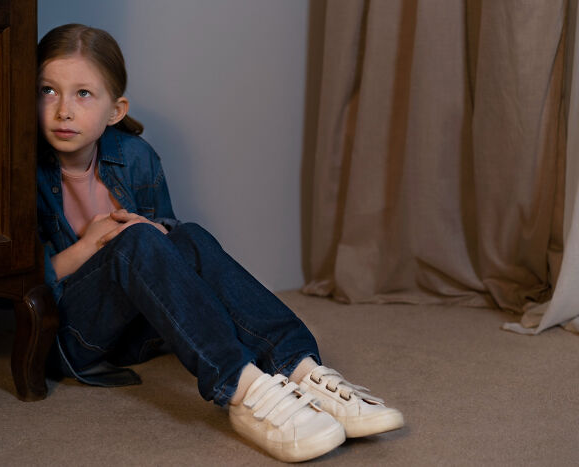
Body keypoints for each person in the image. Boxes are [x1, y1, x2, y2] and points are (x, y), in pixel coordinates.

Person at [37, 23, 403, 462]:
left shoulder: (135, 156)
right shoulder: (24, 170)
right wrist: (90, 245)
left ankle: (302, 370)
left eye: (82, 94)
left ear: (116, 110)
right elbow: (20, 290)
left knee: (185, 235)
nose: (63, 111)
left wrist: (154, 233)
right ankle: (243, 388)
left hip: (139, 329)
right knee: (137, 239)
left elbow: (164, 253)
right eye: (48, 91)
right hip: (73, 336)